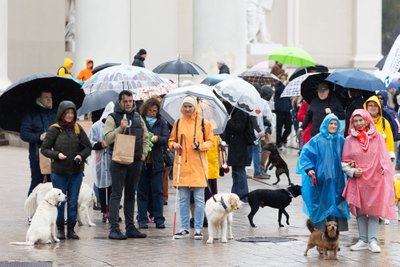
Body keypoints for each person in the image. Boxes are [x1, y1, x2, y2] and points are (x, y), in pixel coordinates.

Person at [342, 109, 396, 253]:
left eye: (361, 120)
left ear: (367, 120)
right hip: (358, 180)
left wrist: (383, 171)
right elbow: (345, 161)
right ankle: (363, 239)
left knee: (373, 210)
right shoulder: (349, 140)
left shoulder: (377, 137)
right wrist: (352, 171)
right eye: (355, 121)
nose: (359, 123)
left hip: (374, 179)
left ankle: (373, 240)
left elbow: (384, 157)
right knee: (359, 211)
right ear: (352, 123)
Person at [41, 101, 92, 240]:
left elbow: (88, 146)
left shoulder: (77, 128)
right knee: (60, 201)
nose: (70, 115)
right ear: (61, 114)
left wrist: (80, 156)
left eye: (72, 113)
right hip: (59, 172)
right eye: (67, 113)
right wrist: (56, 155)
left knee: (73, 200)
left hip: (76, 172)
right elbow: (44, 149)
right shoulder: (54, 129)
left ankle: (71, 229)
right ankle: (60, 229)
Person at [104, 90, 150, 240]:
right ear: (120, 102)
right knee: (116, 194)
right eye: (126, 101)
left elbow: (145, 136)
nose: (129, 104)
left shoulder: (138, 117)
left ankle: (130, 227)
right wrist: (120, 128)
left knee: (131, 194)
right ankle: (114, 229)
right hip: (118, 161)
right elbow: (107, 138)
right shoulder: (112, 117)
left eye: (131, 101)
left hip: (135, 161)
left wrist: (142, 155)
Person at [169, 96, 215, 240]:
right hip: (182, 164)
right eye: (186, 106)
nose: (188, 109)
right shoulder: (177, 123)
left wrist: (200, 146)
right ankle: (184, 228)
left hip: (198, 166)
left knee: (199, 199)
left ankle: (198, 229)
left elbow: (211, 142)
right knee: (183, 198)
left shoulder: (204, 123)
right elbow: (171, 140)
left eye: (190, 106)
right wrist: (173, 145)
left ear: (195, 107)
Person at [297, 114, 350, 231]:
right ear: (325, 124)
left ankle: (333, 237)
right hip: (320, 182)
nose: (333, 126)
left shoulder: (341, 140)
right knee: (321, 205)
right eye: (331, 123)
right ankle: (320, 235)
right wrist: (309, 169)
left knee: (336, 204)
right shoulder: (316, 140)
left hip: (337, 182)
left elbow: (348, 156)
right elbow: (305, 155)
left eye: (336, 124)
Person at [137, 98, 169, 229]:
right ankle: (142, 218)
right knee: (142, 192)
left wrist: (156, 138)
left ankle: (159, 218)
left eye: (155, 111)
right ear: (145, 110)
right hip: (142, 162)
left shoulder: (161, 122)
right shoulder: (140, 121)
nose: (152, 113)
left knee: (158, 191)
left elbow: (166, 138)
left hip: (157, 162)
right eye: (150, 110)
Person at [20, 90, 57, 197]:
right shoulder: (31, 115)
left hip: (54, 153)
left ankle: (51, 208)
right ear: (39, 100)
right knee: (37, 182)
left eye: (50, 97)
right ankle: (31, 209)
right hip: (37, 155)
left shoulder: (55, 113)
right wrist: (39, 136)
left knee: (53, 182)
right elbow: (24, 134)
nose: (49, 99)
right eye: (46, 97)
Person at [88, 102, 114, 223]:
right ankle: (105, 211)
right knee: (103, 187)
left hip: (114, 160)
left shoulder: (117, 126)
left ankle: (113, 211)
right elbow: (90, 142)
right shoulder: (96, 126)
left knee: (114, 187)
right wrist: (100, 144)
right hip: (100, 160)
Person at [224, 105, 254, 202]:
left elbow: (239, 128)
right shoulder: (236, 110)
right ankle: (235, 194)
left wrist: (229, 121)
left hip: (240, 146)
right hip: (236, 145)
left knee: (240, 171)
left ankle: (243, 195)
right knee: (236, 170)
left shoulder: (241, 112)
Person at [363, 95, 395, 159]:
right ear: (366, 107)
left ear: (379, 108)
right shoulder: (362, 120)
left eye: (375, 105)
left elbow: (389, 140)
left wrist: (390, 155)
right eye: (370, 105)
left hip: (381, 157)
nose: (373, 107)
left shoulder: (384, 122)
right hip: (365, 157)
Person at [274, 73, 292, 148]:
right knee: (279, 127)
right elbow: (278, 91)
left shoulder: (287, 86)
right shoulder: (278, 85)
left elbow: (288, 98)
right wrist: (282, 84)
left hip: (287, 110)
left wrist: (290, 107)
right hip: (279, 110)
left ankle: (283, 139)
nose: (283, 79)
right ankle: (278, 142)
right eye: (282, 78)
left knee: (288, 127)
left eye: (284, 78)